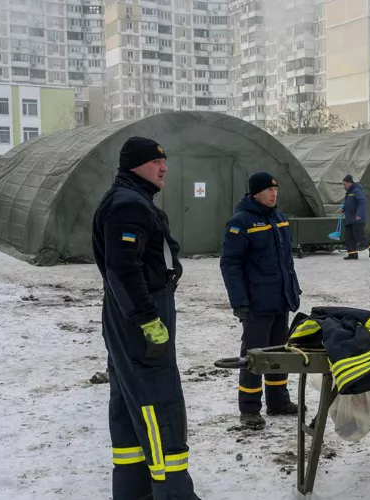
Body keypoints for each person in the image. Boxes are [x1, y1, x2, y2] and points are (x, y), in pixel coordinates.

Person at [92, 137, 201, 499]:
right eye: (157, 162)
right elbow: (122, 268)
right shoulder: (128, 205)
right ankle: (173, 493)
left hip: (128, 312)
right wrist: (146, 318)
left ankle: (133, 491)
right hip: (140, 316)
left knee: (128, 399)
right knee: (159, 402)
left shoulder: (129, 200)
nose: (164, 167)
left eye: (164, 161)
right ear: (136, 166)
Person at [219, 172, 302, 430]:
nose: (274, 194)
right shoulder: (241, 223)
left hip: (280, 299)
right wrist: (239, 302)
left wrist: (293, 290)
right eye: (268, 190)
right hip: (256, 303)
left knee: (279, 353)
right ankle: (250, 408)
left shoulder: (280, 219)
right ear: (255, 193)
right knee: (254, 356)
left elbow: (286, 262)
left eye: (276, 189)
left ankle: (278, 401)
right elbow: (230, 265)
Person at [341, 174, 369, 260]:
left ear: (349, 183)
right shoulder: (349, 192)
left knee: (360, 237)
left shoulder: (357, 190)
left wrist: (359, 215)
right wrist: (344, 209)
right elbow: (349, 203)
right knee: (349, 237)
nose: (344, 186)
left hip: (357, 219)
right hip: (350, 219)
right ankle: (352, 254)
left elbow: (362, 202)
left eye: (345, 184)